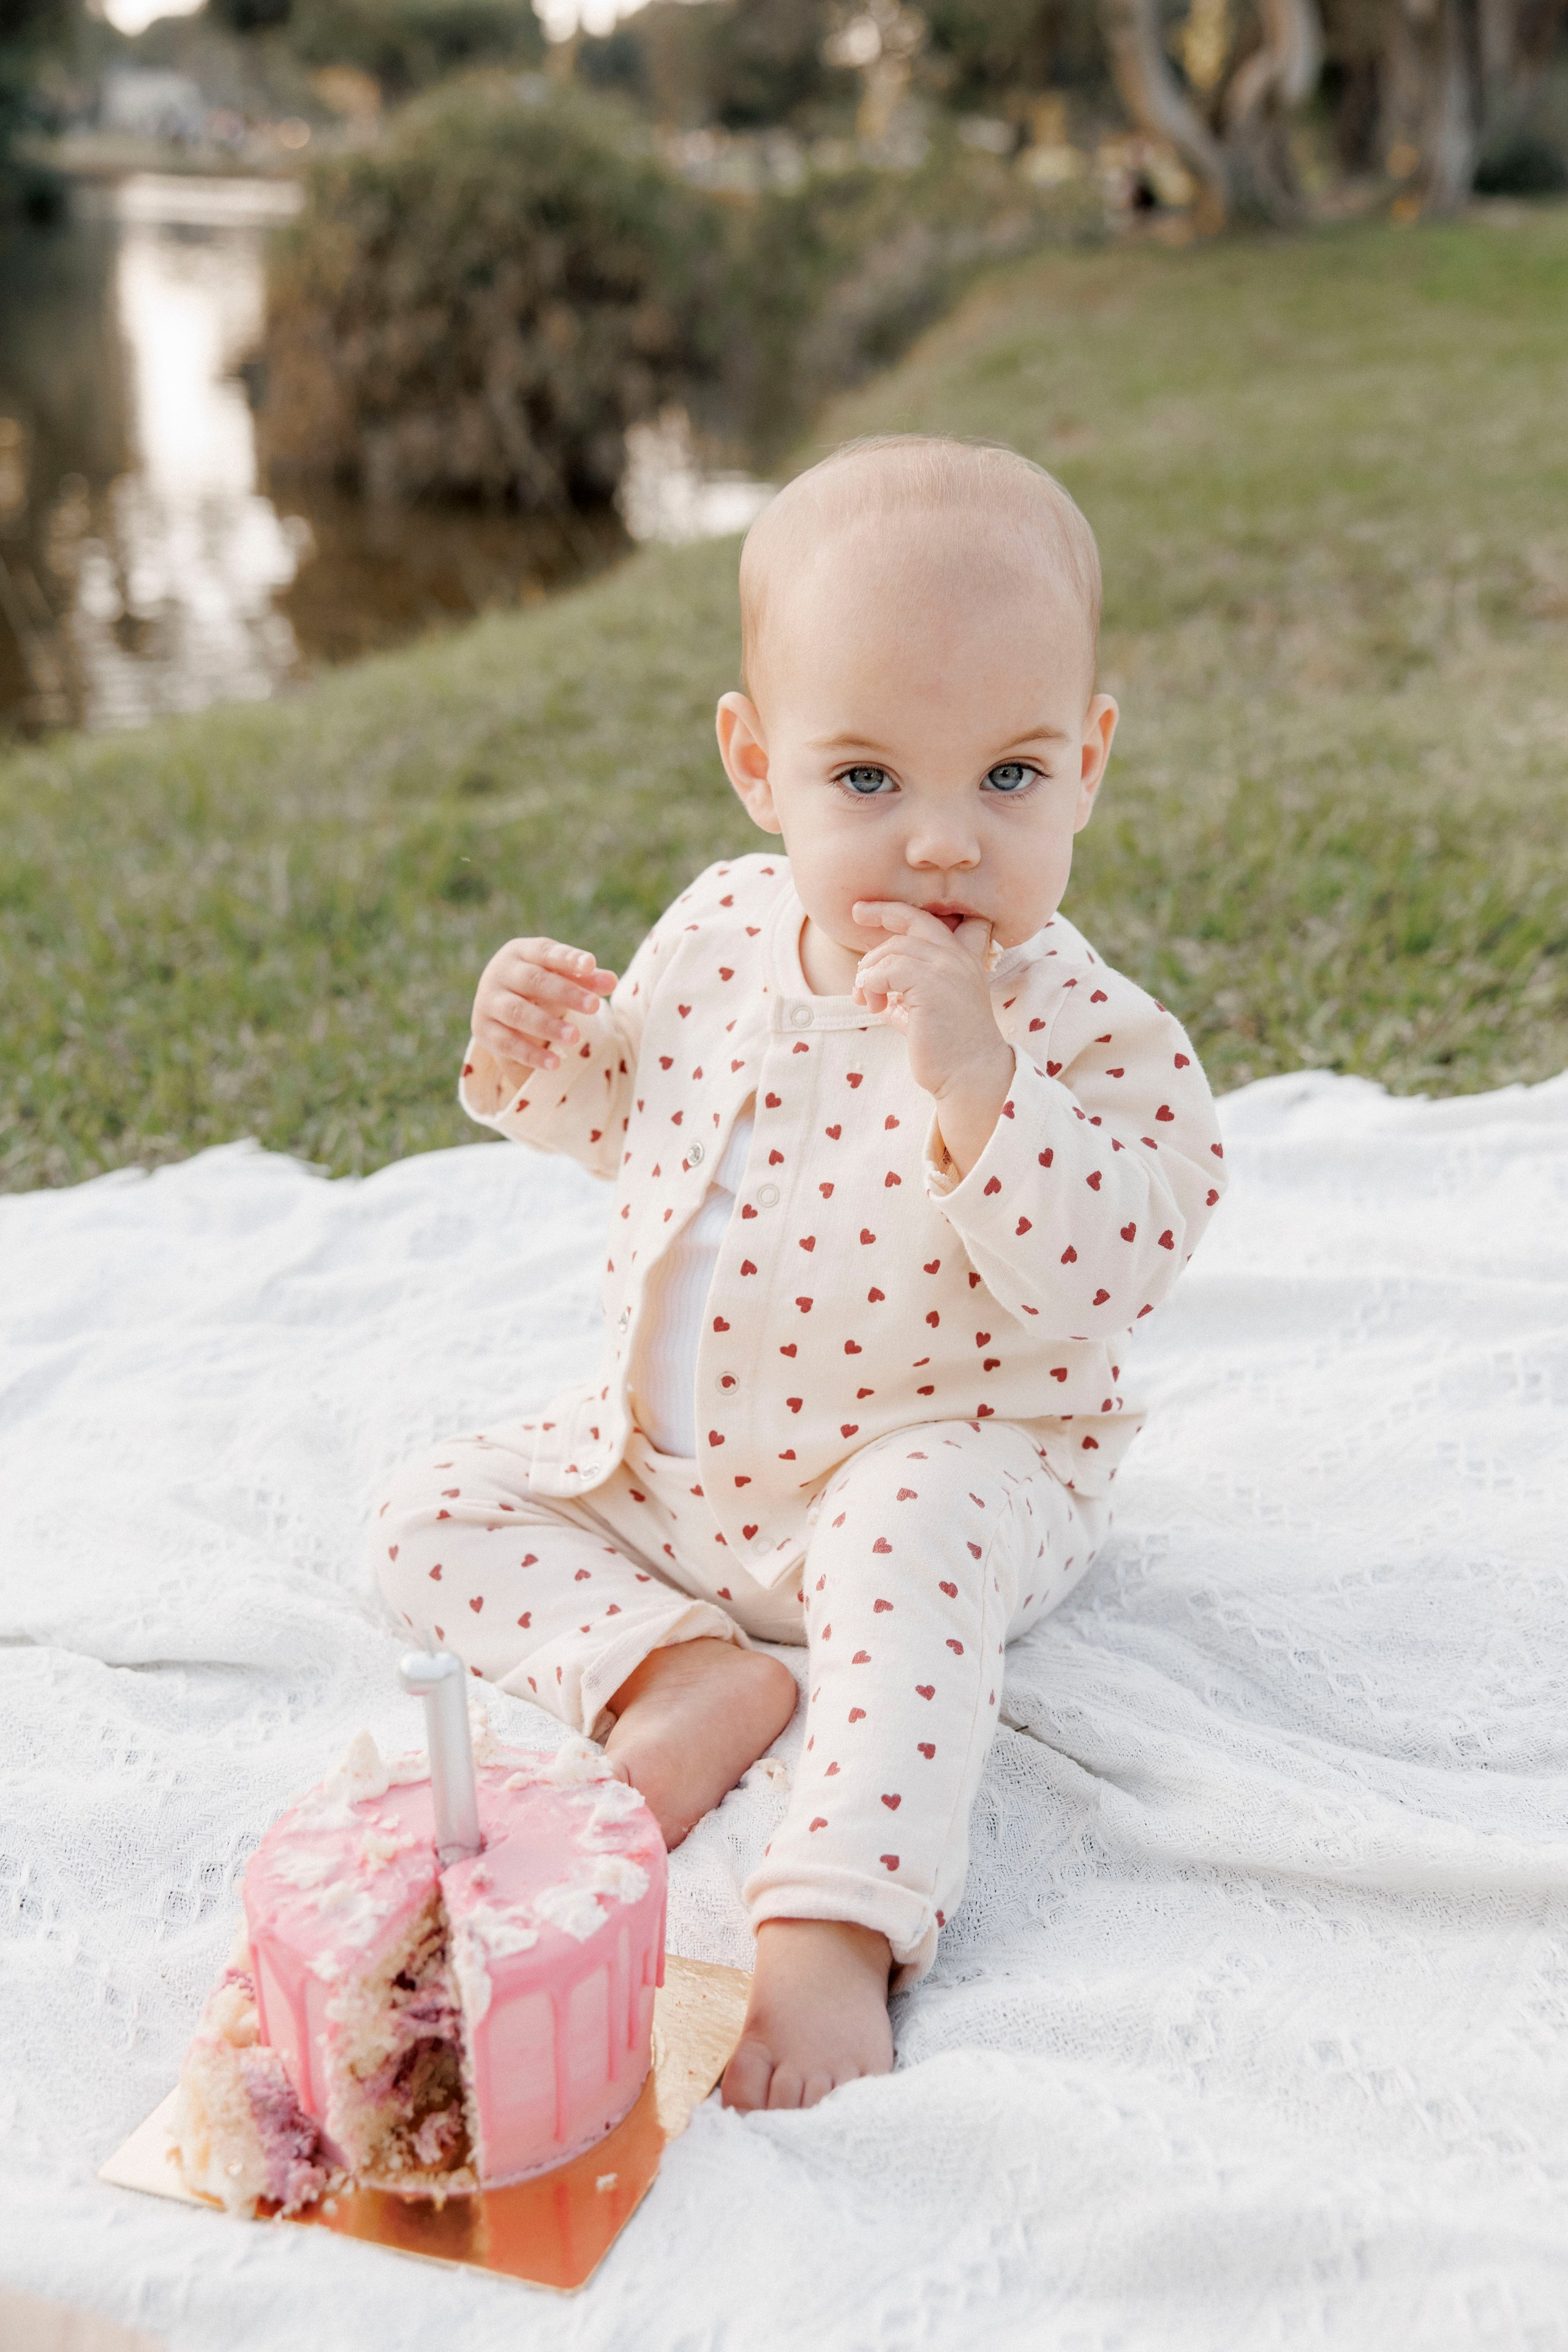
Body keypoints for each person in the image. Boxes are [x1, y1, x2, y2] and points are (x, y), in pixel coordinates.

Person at [375, 434, 1226, 2112]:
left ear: (1090, 760)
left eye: (1007, 778)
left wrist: (985, 1092)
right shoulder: (715, 932)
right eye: (866, 782)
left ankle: (834, 1923)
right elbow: (636, 1125)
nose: (939, 846)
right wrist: (545, 1062)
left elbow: (1119, 1264)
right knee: (427, 1510)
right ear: (758, 765)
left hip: (948, 1459)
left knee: (910, 1554)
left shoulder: (1079, 1025)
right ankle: (678, 1667)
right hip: (680, 1485)